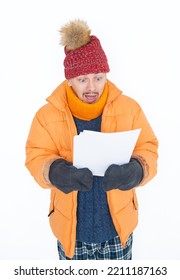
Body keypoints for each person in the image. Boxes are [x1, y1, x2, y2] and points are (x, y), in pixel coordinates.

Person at [25, 19, 158, 260]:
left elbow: (148, 147)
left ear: (106, 74)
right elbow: (36, 155)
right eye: (82, 79)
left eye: (98, 77)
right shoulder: (47, 115)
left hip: (118, 231)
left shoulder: (130, 108)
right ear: (69, 80)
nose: (91, 87)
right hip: (71, 235)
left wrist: (137, 170)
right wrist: (54, 171)